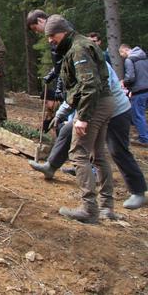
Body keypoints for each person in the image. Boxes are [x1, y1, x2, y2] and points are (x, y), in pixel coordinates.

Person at [29, 61, 147, 210]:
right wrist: (61, 113)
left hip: (116, 112)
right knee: (67, 130)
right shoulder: (77, 61)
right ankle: (51, 166)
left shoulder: (95, 63)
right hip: (92, 111)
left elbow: (93, 92)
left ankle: (138, 191)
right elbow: (76, 92)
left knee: (117, 150)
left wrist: (76, 115)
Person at [45, 15, 115, 223]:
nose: (50, 40)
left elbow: (89, 86)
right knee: (98, 155)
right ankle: (106, 206)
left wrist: (83, 117)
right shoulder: (79, 44)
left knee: (78, 153)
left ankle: (89, 209)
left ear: (63, 31)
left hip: (95, 105)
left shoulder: (78, 49)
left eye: (53, 35)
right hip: (103, 102)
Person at [120, 43, 148, 146]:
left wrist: (124, 83)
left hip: (139, 90)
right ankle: (144, 134)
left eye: (121, 54)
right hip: (146, 89)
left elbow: (130, 77)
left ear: (124, 51)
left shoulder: (129, 60)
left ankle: (144, 138)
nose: (122, 57)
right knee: (142, 114)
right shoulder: (144, 57)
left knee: (138, 115)